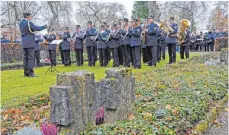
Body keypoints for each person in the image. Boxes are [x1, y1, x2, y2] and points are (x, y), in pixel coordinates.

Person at [19, 12, 47, 77]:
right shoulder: (29, 23)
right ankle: (31, 73)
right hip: (30, 43)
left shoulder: (20, 23)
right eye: (30, 16)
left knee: (25, 58)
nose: (30, 17)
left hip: (24, 42)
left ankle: (25, 73)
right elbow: (38, 28)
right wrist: (44, 26)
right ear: (28, 16)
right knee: (31, 58)